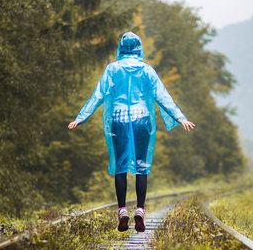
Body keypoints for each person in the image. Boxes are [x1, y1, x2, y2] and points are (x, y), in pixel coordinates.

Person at [68, 32, 195, 232]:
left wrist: (80, 118)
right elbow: (162, 96)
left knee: (120, 166)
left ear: (121, 47)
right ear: (139, 48)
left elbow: (98, 95)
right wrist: (180, 117)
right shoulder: (147, 70)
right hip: (142, 119)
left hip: (118, 119)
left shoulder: (112, 69)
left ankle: (122, 210)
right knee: (141, 166)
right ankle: (141, 210)